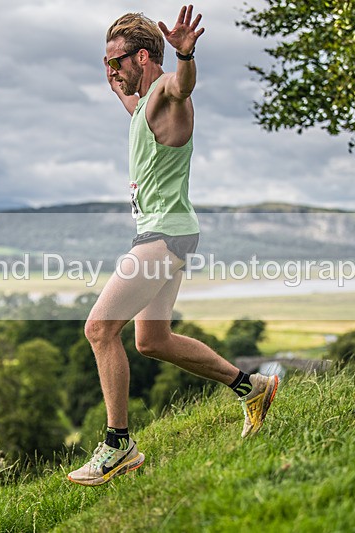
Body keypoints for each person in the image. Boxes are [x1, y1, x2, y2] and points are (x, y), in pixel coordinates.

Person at [67, 5, 279, 487]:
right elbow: (131, 97)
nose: (110, 69)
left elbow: (181, 85)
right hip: (167, 232)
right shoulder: (143, 104)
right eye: (105, 62)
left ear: (143, 57)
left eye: (116, 60)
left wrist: (186, 53)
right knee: (152, 341)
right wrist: (113, 77)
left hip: (163, 234)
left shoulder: (166, 93)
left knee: (100, 329)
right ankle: (255, 388)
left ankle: (118, 444)